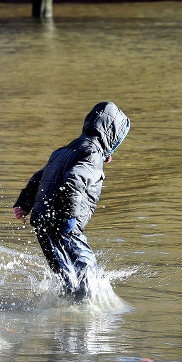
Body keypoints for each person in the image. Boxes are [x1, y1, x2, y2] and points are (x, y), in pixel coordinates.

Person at [12, 102, 130, 297]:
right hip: (63, 223)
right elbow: (74, 180)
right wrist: (69, 220)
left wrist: (23, 205)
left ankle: (63, 315)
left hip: (41, 222)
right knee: (87, 268)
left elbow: (38, 178)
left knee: (65, 276)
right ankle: (83, 316)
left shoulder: (62, 151)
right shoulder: (92, 155)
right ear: (112, 138)